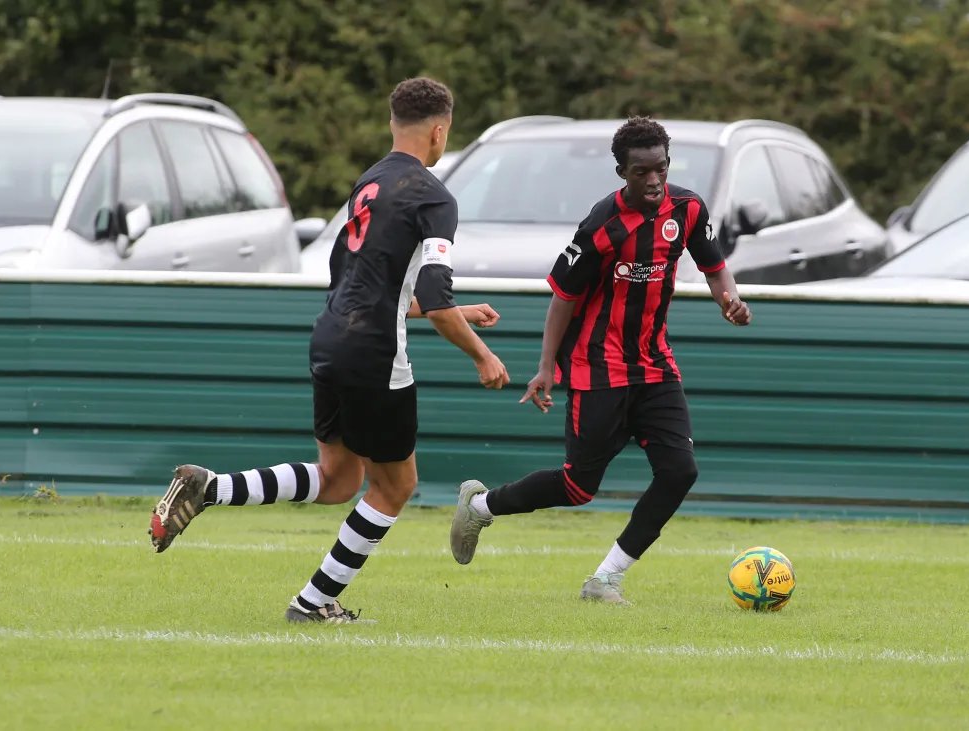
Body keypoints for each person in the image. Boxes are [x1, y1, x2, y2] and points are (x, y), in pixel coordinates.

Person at [149, 77, 510, 623]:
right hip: (373, 354)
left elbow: (362, 287)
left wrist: (458, 314)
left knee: (340, 478)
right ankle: (313, 603)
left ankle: (210, 488)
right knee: (396, 485)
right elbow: (435, 300)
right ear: (441, 132)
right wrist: (482, 354)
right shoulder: (435, 197)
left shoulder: (368, 184)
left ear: (393, 125)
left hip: (330, 337)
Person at [449, 116, 751, 604]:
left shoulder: (689, 209)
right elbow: (562, 300)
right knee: (577, 487)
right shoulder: (600, 225)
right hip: (597, 368)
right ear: (621, 172)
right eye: (640, 172)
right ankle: (481, 505)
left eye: (660, 169)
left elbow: (714, 266)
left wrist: (729, 299)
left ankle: (606, 579)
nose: (653, 181)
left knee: (680, 471)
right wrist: (548, 367)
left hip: (655, 366)